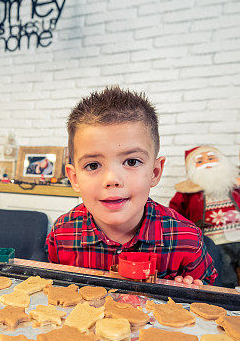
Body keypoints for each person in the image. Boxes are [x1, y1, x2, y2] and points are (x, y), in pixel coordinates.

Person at [46, 86, 217, 286]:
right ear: (74, 178)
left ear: (154, 173)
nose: (112, 179)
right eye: (93, 165)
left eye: (132, 162)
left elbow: (209, 296)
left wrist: (192, 292)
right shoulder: (61, 234)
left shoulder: (187, 239)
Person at [169, 145, 240, 297]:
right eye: (200, 161)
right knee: (222, 277)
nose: (208, 163)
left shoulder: (238, 179)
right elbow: (175, 214)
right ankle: (227, 303)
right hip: (214, 242)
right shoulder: (186, 191)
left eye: (211, 158)